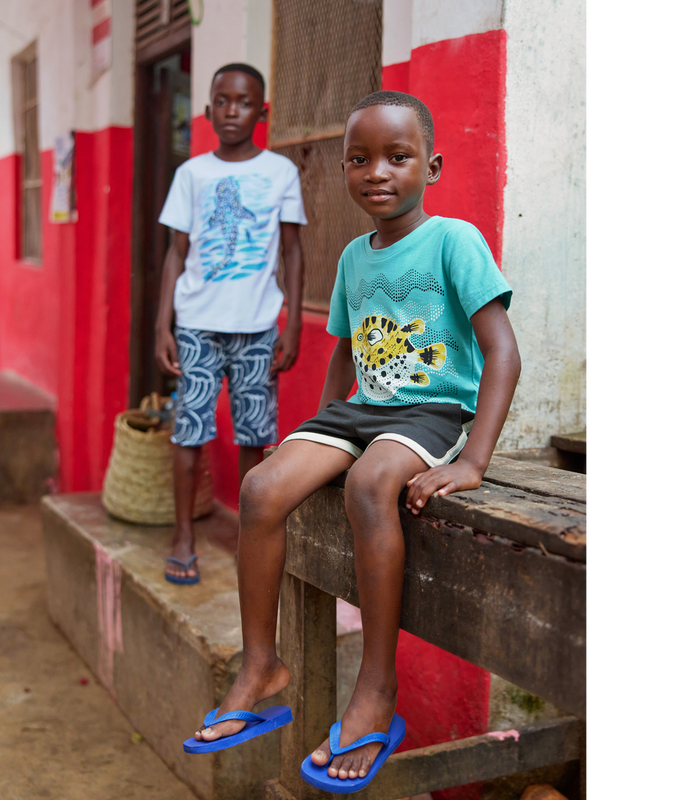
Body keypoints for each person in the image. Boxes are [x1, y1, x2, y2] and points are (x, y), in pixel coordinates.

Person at [184, 90, 522, 793]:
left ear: (429, 166)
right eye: (360, 159)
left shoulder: (455, 240)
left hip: (428, 411)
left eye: (397, 158)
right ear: (343, 170)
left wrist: (473, 460)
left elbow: (502, 352)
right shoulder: (352, 257)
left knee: (372, 485)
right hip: (360, 411)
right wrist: (314, 440)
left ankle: (374, 688)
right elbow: (344, 357)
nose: (378, 172)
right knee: (261, 486)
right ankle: (260, 665)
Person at [156, 64, 307, 585]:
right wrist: (163, 325)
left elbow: (292, 250)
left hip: (258, 326)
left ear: (261, 112)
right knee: (188, 430)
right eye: (221, 101)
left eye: (243, 102)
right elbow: (176, 256)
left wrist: (292, 324)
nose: (231, 111)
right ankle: (183, 536)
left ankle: (252, 536)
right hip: (197, 323)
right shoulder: (191, 175)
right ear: (207, 110)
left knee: (254, 434)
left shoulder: (280, 172)